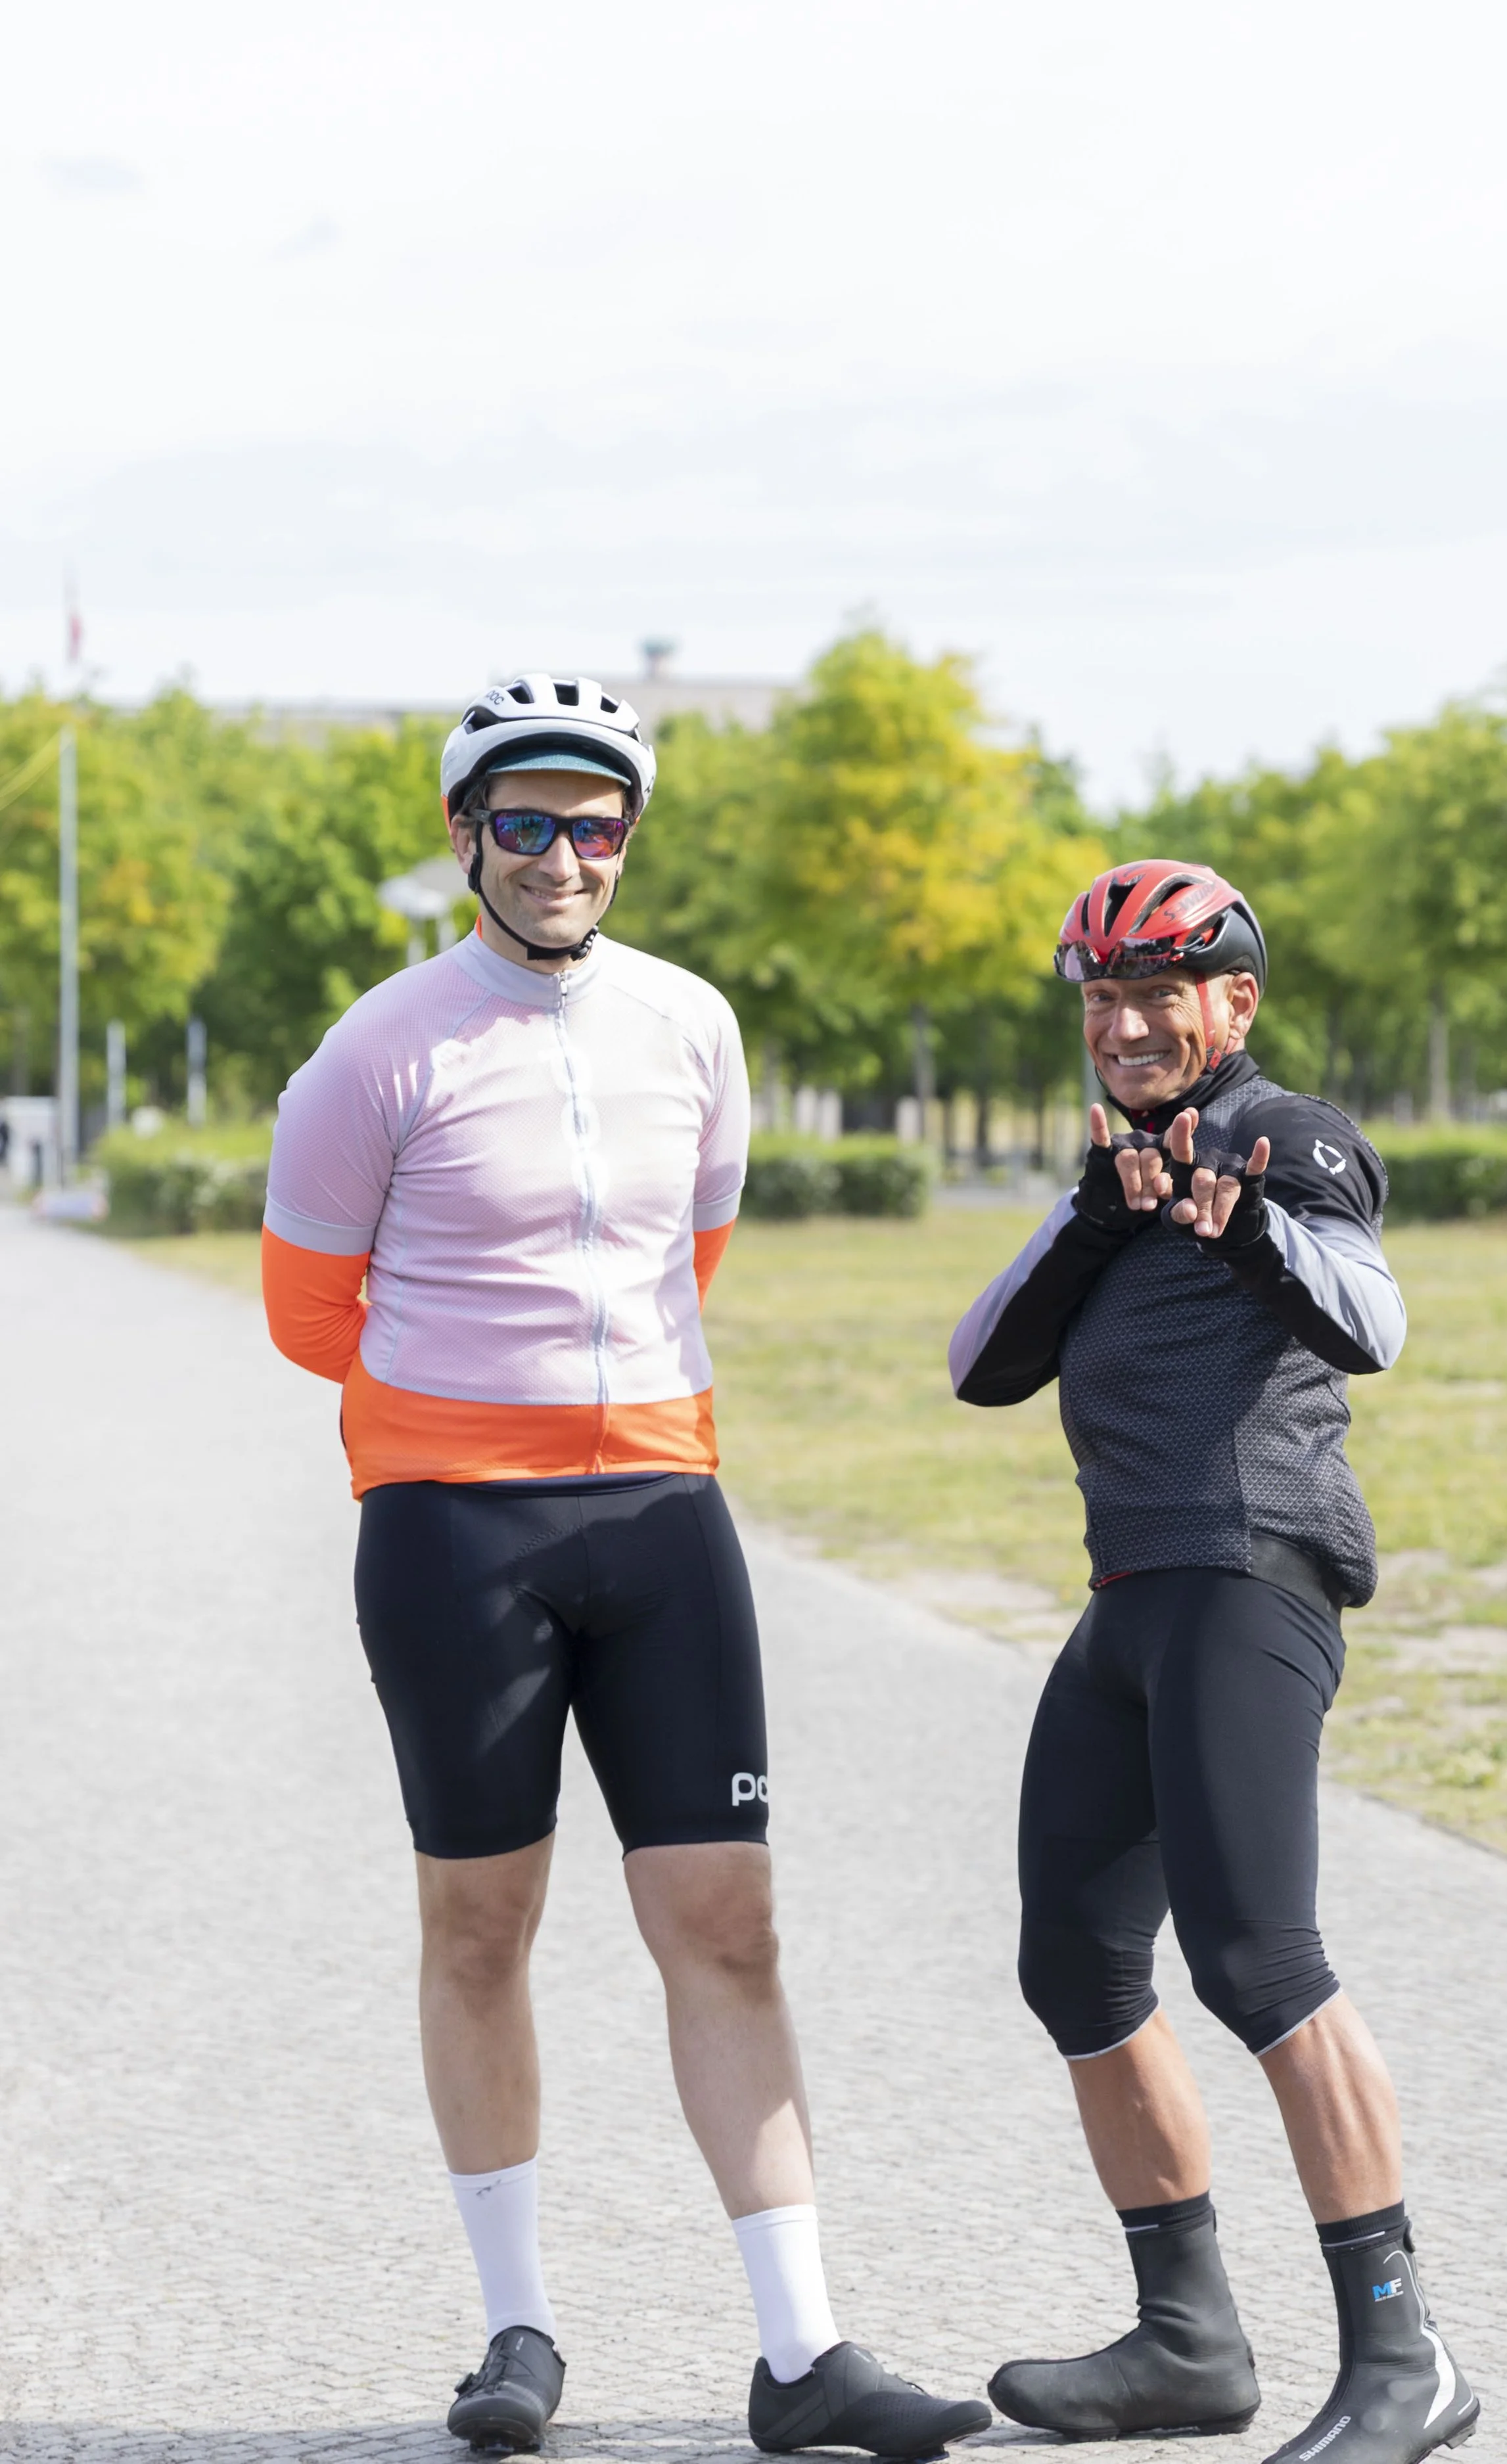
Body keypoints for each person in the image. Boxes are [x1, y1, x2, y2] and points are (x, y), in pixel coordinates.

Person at [262, 674, 990, 2461]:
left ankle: (802, 2349)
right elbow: (305, 1312)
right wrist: (483, 1420)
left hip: (662, 1518)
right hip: (453, 1532)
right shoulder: (384, 1045)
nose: (567, 853)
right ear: (465, 836)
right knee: (480, 1920)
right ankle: (515, 2325)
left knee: (726, 1920)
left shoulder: (692, 1025)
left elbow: (699, 1243)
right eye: (528, 821)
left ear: (627, 838)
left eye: (598, 822)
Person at [948, 863, 1478, 2464]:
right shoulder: (1110, 1168)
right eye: (1100, 997)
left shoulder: (1287, 1138)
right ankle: (1187, 2339)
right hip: (1131, 1598)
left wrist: (1242, 1225)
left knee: (1255, 1960)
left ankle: (1404, 2360)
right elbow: (980, 1362)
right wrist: (1097, 1218)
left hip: (1250, 1576)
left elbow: (1370, 1322)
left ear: (1231, 1003)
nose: (1122, 1022)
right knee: (1074, 1963)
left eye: (1157, 992)